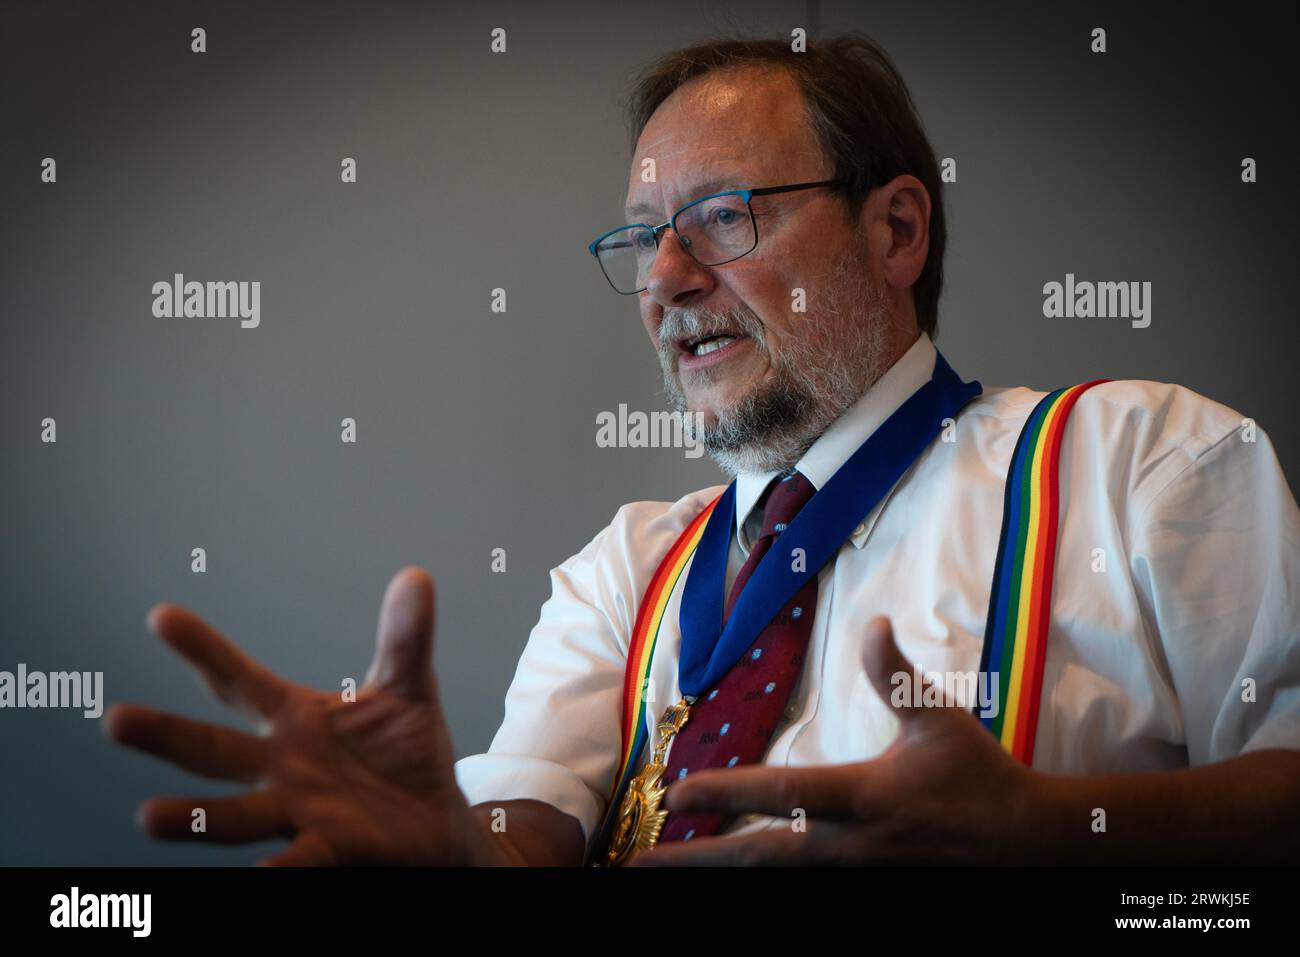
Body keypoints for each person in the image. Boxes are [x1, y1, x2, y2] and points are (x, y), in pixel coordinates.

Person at [103, 35, 1300, 867]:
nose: (667, 279)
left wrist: (1049, 837)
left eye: (724, 217)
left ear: (893, 230)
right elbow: (528, 825)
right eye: (642, 237)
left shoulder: (1143, 462)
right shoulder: (624, 568)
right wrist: (448, 848)